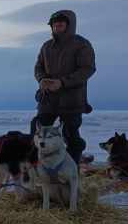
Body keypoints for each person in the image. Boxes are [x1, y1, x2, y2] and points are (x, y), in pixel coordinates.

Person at [31, 10, 96, 165]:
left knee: (70, 135)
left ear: (69, 24)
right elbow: (38, 67)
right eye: (54, 23)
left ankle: (73, 170)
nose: (57, 25)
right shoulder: (46, 46)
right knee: (37, 130)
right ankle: (39, 170)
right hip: (48, 99)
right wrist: (42, 80)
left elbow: (87, 69)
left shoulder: (82, 44)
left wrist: (63, 82)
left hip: (71, 100)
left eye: (61, 22)